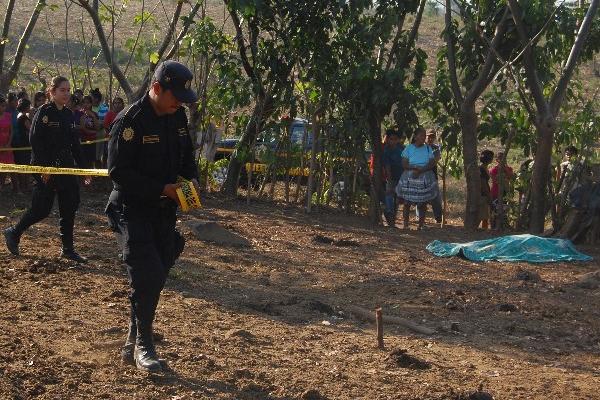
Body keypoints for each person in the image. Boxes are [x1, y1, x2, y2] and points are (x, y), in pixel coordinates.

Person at [105, 60, 199, 372]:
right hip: (131, 210)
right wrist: (162, 189)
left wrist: (191, 182)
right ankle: (144, 346)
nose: (179, 105)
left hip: (163, 212)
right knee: (149, 275)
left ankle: (134, 336)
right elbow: (118, 173)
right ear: (156, 89)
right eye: (175, 97)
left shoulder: (177, 116)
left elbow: (186, 158)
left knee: (158, 271)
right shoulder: (130, 122)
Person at [3, 76, 90, 262]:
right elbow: (35, 141)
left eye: (68, 90)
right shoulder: (44, 112)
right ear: (52, 92)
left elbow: (75, 144)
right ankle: (14, 232)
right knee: (41, 208)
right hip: (46, 168)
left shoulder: (68, 114)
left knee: (69, 206)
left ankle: (67, 248)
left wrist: (84, 170)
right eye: (62, 90)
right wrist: (44, 168)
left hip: (66, 168)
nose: (66, 94)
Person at [396, 127, 438, 230]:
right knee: (407, 202)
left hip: (424, 177)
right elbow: (404, 163)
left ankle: (421, 224)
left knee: (423, 202)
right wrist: (414, 168)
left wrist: (421, 170)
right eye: (421, 135)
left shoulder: (428, 148)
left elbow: (432, 162)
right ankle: (406, 224)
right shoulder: (409, 148)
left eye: (424, 135)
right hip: (409, 177)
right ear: (415, 136)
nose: (423, 137)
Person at [416, 131, 443, 223]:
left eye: (432, 137)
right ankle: (419, 217)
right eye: (429, 137)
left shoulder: (436, 149)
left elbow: (433, 162)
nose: (430, 139)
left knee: (436, 197)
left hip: (432, 176)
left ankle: (438, 217)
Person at [383, 129, 405, 227]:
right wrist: (389, 177)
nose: (393, 141)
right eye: (391, 139)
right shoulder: (386, 151)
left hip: (401, 176)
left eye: (395, 139)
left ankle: (393, 220)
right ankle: (389, 212)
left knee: (397, 199)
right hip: (392, 177)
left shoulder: (401, 149)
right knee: (389, 194)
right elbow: (387, 166)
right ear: (388, 139)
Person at [12, 98, 33, 193]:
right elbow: (31, 129)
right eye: (29, 106)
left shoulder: (18, 115)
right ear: (26, 107)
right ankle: (25, 186)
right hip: (24, 144)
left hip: (18, 144)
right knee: (25, 166)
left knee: (21, 165)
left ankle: (23, 186)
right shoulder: (24, 118)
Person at [489, 152, 514, 229]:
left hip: (505, 192)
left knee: (505, 209)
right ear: (497, 160)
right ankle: (493, 226)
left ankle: (504, 225)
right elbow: (495, 179)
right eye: (500, 158)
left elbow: (511, 177)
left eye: (504, 158)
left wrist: (505, 168)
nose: (502, 160)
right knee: (494, 210)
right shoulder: (494, 169)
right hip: (495, 192)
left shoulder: (509, 169)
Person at [78, 95, 100, 168]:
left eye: (88, 103)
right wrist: (92, 132)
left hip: (93, 141)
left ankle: (94, 176)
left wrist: (93, 116)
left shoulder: (95, 114)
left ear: (91, 104)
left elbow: (97, 128)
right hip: (83, 140)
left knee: (93, 159)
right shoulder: (80, 114)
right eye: (84, 103)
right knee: (84, 160)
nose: (86, 105)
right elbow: (83, 128)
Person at [90, 88, 109, 167]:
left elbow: (105, 122)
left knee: (99, 154)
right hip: (89, 133)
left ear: (96, 99)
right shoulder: (87, 107)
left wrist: (98, 124)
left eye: (91, 98)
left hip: (100, 134)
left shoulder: (104, 108)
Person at [0, 96, 16, 187]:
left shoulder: (8, 115)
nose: (4, 108)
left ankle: (16, 188)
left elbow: (11, 131)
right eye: (2, 106)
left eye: (4, 106)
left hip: (7, 145)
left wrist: (8, 144)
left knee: (10, 166)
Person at [479, 150, 494, 229]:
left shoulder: (484, 168)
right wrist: (488, 195)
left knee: (485, 216)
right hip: (483, 194)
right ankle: (483, 232)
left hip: (484, 194)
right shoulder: (481, 169)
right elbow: (483, 184)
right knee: (483, 216)